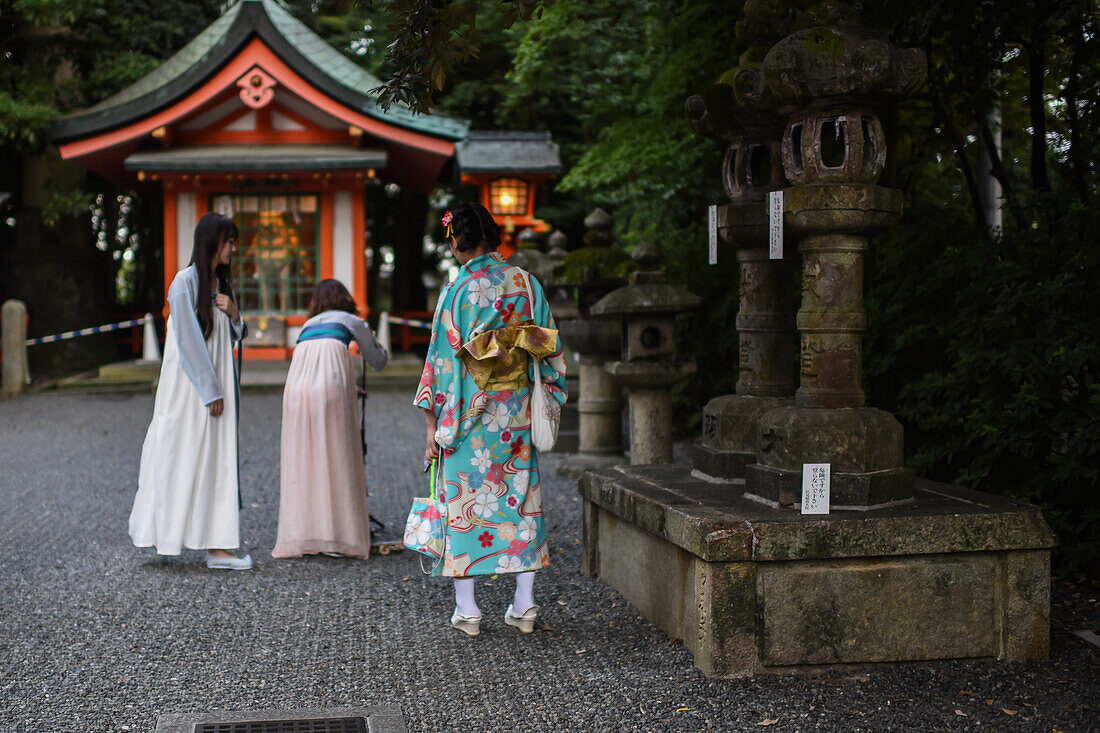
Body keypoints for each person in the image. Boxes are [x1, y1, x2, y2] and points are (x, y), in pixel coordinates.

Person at [413, 203, 567, 636]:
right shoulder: (527, 283)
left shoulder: (458, 290)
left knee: (465, 503)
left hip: (471, 412)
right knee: (519, 500)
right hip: (515, 409)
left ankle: (468, 610)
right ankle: (525, 604)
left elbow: (442, 362)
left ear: (458, 240)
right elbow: (550, 348)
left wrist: (434, 426)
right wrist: (542, 392)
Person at [129, 212, 251, 570]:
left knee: (217, 457)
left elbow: (235, 336)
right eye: (229, 241)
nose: (232, 248)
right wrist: (209, 390)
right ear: (213, 241)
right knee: (176, 451)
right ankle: (164, 532)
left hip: (214, 385)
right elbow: (186, 339)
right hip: (189, 389)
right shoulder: (185, 282)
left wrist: (235, 314)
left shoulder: (220, 283)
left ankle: (219, 545)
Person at [273, 279, 388, 559]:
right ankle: (341, 535)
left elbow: (311, 370)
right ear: (344, 298)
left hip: (296, 394)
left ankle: (308, 532)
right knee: (338, 457)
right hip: (332, 391)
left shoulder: (306, 326)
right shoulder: (350, 319)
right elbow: (378, 360)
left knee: (306, 461)